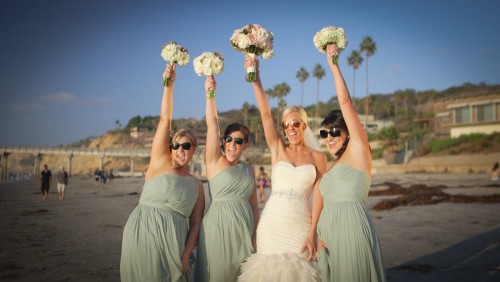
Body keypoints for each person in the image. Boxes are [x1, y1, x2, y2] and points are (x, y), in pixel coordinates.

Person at [239, 55, 327, 281]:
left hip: (300, 227)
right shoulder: (278, 149)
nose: (290, 129)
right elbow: (266, 114)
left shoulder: (318, 157)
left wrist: (313, 232)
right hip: (272, 224)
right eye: (286, 125)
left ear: (304, 125)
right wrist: (256, 78)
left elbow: (319, 197)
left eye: (295, 123)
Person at [120, 64, 205, 282]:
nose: (180, 150)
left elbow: (195, 224)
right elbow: (165, 119)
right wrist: (169, 84)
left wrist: (186, 254)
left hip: (174, 240)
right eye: (176, 145)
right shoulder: (158, 162)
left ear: (193, 150)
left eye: (186, 146)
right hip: (143, 231)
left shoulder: (196, 184)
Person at [313, 43, 386, 281]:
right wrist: (319, 234)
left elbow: (345, 104)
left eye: (334, 131)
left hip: (352, 231)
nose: (329, 138)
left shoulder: (358, 150)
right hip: (329, 237)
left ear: (347, 131)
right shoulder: (333, 166)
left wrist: (333, 63)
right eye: (324, 134)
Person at [194, 76, 260, 281]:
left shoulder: (249, 169)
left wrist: (256, 234)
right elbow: (212, 125)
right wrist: (210, 94)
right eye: (229, 139)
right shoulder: (214, 161)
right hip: (218, 228)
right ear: (223, 141)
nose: (232, 144)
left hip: (244, 229)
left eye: (238, 141)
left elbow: (254, 206)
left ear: (246, 144)